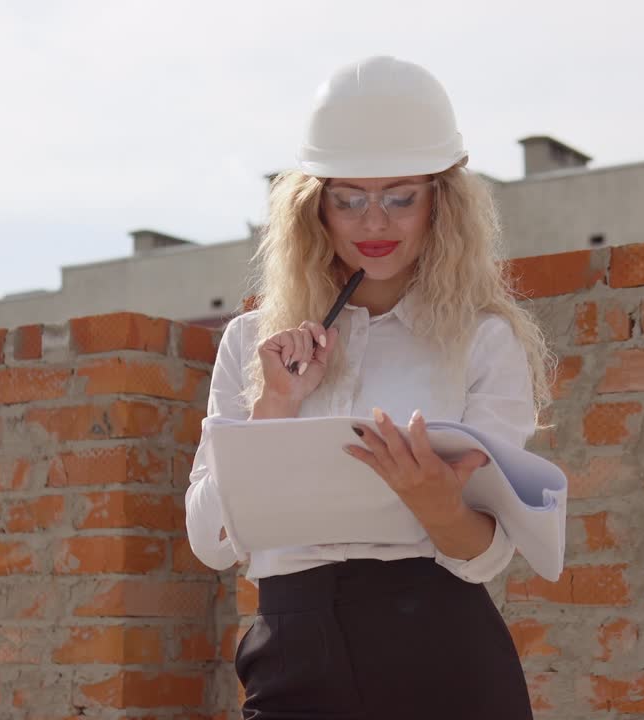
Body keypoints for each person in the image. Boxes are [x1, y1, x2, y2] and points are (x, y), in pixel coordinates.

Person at [184, 55, 555, 720]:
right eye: (348, 198)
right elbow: (211, 540)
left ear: (441, 199)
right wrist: (276, 405)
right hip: (290, 650)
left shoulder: (484, 341)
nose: (373, 223)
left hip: (440, 646)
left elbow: (488, 555)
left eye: (399, 197)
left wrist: (435, 504)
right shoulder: (251, 342)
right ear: (314, 206)